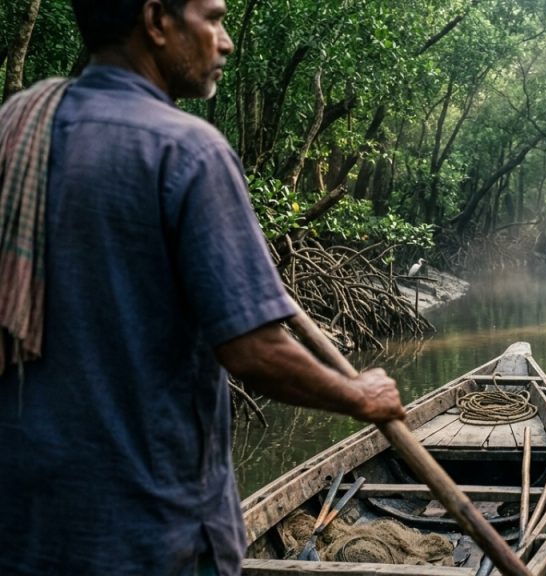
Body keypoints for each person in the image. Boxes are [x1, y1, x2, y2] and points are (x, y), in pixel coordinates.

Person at [0, 0, 405, 574]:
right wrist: (359, 395)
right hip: (152, 533)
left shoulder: (16, 127)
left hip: (25, 526)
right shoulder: (188, 151)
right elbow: (253, 349)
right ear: (157, 21)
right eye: (212, 18)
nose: (227, 40)